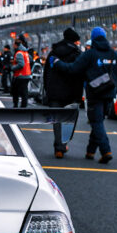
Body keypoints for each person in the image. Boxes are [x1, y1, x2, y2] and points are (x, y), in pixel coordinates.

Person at [54, 26, 117, 164]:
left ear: (92, 38)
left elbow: (73, 69)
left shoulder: (90, 54)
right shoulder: (114, 55)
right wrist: (114, 91)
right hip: (109, 94)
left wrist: (57, 63)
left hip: (95, 94)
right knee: (99, 122)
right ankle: (90, 151)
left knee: (96, 122)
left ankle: (106, 151)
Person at [43, 28, 84, 158]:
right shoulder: (78, 54)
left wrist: (47, 89)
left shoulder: (53, 53)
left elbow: (46, 73)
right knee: (69, 119)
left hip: (54, 91)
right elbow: (80, 73)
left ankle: (58, 147)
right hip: (71, 92)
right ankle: (63, 143)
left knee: (56, 119)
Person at [11, 36, 32, 108]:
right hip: (27, 74)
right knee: (24, 92)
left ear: (16, 45)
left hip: (20, 75)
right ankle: (24, 106)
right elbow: (31, 60)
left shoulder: (19, 53)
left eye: (13, 44)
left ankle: (17, 106)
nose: (13, 46)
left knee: (15, 91)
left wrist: (13, 68)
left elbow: (21, 64)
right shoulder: (25, 52)